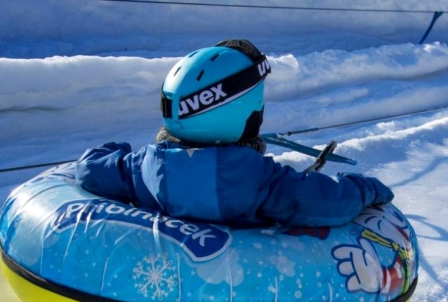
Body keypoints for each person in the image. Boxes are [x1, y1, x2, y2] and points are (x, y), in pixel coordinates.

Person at [74, 39, 395, 228]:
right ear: (244, 114)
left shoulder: (142, 166)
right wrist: (368, 189)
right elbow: (331, 202)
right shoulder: (261, 182)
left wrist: (120, 149)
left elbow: (90, 167)